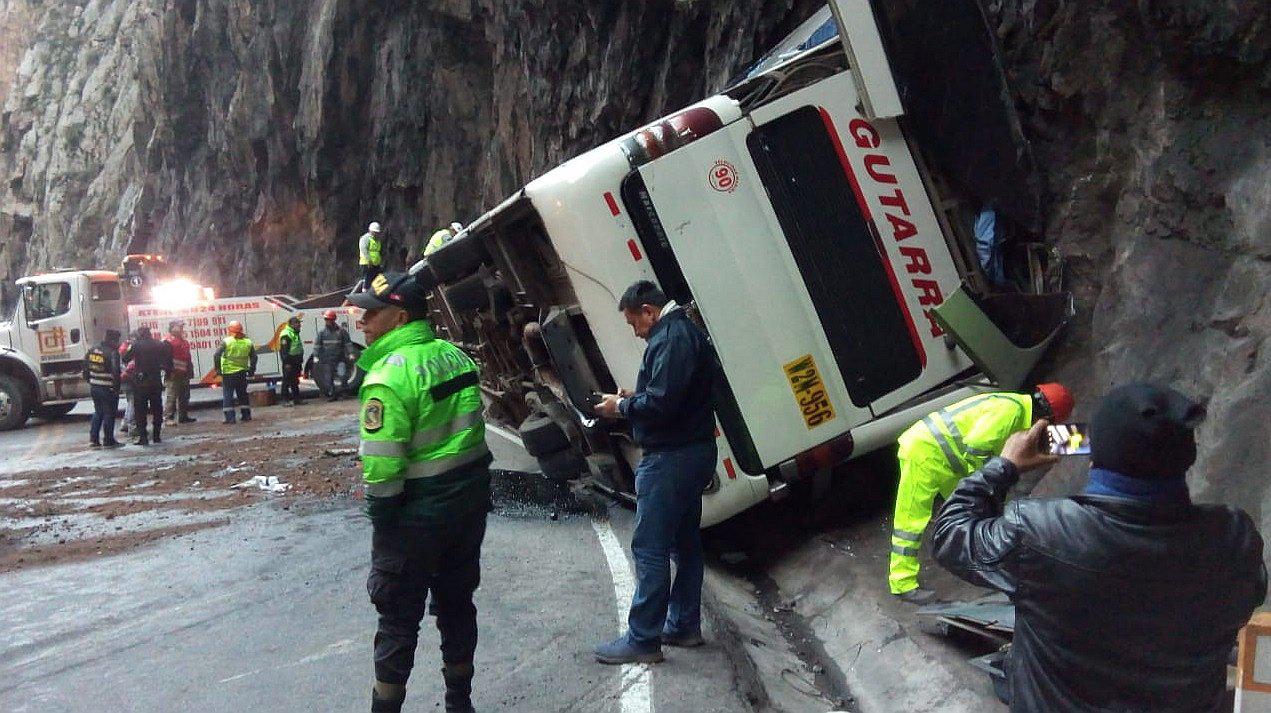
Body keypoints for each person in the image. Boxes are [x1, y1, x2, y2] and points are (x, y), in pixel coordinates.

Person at [933, 383, 1265, 711]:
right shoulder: (1234, 538)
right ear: (1186, 458)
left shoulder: (1037, 533)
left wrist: (1004, 466)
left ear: (1093, 459)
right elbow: (1248, 598)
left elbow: (950, 534)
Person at [345, 271, 491, 713]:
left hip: (413, 517)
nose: (362, 322)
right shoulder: (455, 356)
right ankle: (460, 704)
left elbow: (383, 469)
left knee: (397, 620)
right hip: (466, 507)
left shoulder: (388, 377)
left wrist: (383, 522)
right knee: (457, 606)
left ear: (401, 317)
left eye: (372, 313)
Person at [592, 280, 718, 664]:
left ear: (648, 311)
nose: (635, 331)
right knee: (684, 543)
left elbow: (663, 404)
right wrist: (634, 397)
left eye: (634, 323)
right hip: (691, 452)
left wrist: (620, 408)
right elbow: (673, 394)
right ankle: (683, 625)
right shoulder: (681, 334)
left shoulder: (671, 338)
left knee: (650, 547)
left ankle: (643, 638)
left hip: (671, 458)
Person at [887, 383, 1072, 604]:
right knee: (910, 522)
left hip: (947, 458)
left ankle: (984, 560)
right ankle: (902, 583)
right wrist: (992, 479)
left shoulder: (1014, 406)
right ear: (1046, 419)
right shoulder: (1011, 412)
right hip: (924, 452)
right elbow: (976, 447)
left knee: (970, 512)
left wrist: (1082, 441)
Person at [122, 326, 171, 445]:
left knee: (140, 411)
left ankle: (143, 437)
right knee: (157, 410)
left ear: (140, 334)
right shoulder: (159, 344)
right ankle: (156, 436)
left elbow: (125, 358)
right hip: (155, 381)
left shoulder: (136, 345)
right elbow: (168, 360)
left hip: (140, 383)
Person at [83, 329, 123, 448]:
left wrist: (91, 381)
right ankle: (108, 440)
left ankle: (93, 439)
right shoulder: (113, 353)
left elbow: (85, 368)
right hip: (107, 388)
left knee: (98, 412)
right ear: (113, 340)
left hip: (94, 386)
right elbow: (116, 372)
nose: (118, 343)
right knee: (109, 413)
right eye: (117, 340)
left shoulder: (92, 350)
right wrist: (116, 388)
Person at [213, 321, 257, 424]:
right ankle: (246, 415)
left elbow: (216, 355)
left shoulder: (227, 341)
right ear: (241, 329)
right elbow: (254, 357)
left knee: (228, 394)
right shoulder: (248, 342)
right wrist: (252, 370)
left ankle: (230, 418)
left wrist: (218, 370)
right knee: (242, 394)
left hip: (228, 373)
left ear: (230, 330)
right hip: (242, 372)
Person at [314, 309, 352, 401]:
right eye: (326, 319)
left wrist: (350, 353)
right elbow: (317, 345)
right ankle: (332, 395)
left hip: (340, 358)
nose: (327, 321)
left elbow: (348, 343)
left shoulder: (342, 331)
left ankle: (344, 392)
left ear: (334, 320)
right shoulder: (322, 333)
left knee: (343, 376)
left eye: (329, 319)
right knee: (328, 379)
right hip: (327, 360)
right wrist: (316, 356)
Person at [163, 320, 196, 424]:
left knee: (185, 396)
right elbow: (165, 359)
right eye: (179, 326)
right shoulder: (167, 341)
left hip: (184, 373)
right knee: (171, 397)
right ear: (172, 328)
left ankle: (183, 416)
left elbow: (187, 357)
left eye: (182, 327)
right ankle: (168, 418)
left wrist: (190, 371)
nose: (182, 329)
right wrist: (169, 372)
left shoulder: (183, 341)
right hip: (173, 374)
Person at [278, 315, 306, 406]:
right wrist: (286, 363)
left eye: (299, 323)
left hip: (296, 361)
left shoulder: (295, 333)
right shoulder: (286, 334)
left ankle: (297, 399)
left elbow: (296, 347)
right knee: (286, 381)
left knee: (295, 381)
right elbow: (284, 350)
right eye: (297, 323)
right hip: (289, 362)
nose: (299, 325)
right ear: (291, 324)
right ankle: (284, 400)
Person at [359, 221, 384, 288]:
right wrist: (369, 260)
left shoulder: (377, 240)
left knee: (377, 280)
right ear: (371, 231)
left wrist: (379, 261)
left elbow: (378, 252)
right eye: (375, 232)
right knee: (367, 280)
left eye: (377, 232)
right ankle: (365, 291)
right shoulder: (365, 238)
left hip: (376, 264)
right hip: (367, 264)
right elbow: (364, 249)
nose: (376, 234)